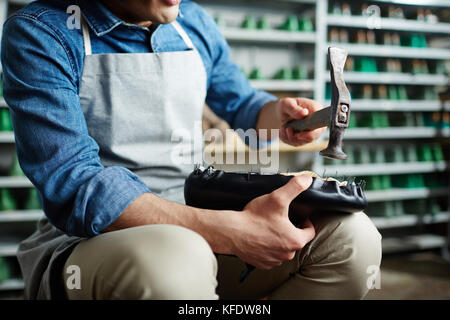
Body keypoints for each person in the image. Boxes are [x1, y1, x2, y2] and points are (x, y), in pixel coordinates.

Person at [1, 0, 381, 300]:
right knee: (176, 257)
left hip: (196, 213)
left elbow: (241, 105)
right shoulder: (41, 33)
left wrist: (280, 115)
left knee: (352, 241)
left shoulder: (192, 21)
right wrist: (232, 233)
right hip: (89, 240)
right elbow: (77, 185)